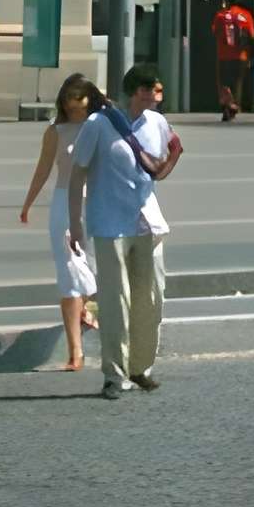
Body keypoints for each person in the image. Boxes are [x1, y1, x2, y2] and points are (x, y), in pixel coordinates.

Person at [69, 61, 181, 400]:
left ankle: (140, 367)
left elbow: (162, 162)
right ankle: (114, 376)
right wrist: (75, 224)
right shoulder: (98, 125)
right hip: (110, 222)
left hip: (148, 220)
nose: (157, 97)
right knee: (116, 302)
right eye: (152, 90)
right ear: (137, 91)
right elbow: (77, 176)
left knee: (151, 297)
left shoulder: (158, 123)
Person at [17, 73, 102, 370]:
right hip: (64, 204)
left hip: (96, 205)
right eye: (70, 105)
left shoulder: (100, 125)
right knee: (69, 273)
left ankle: (86, 307)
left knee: (93, 267)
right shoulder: (55, 131)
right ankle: (75, 351)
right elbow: (43, 169)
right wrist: (27, 203)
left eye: (80, 106)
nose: (75, 111)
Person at [212, 0, 254, 122]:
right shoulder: (246, 15)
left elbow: (214, 32)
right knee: (238, 82)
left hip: (223, 54)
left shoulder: (220, 15)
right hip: (241, 55)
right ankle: (235, 105)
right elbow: (252, 35)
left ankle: (227, 104)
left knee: (224, 82)